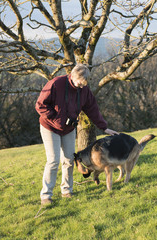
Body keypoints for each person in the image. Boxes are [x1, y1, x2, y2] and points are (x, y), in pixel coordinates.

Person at [35, 64, 118, 206]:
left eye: (84, 84)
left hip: (68, 128)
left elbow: (93, 109)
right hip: (49, 127)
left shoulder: (84, 90)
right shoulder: (56, 84)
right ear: (73, 76)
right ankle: (46, 195)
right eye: (80, 83)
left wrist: (104, 127)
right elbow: (40, 105)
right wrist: (55, 118)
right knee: (53, 161)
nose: (81, 86)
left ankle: (67, 190)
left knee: (68, 160)